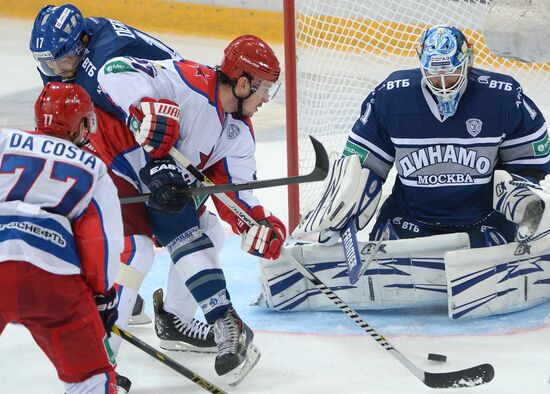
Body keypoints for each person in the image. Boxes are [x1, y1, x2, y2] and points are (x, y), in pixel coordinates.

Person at [259, 25, 550, 316]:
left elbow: (531, 163)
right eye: (434, 74)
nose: (443, 82)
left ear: (468, 62)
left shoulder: (502, 97)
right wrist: (347, 205)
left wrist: (520, 195)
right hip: (409, 223)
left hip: (481, 223)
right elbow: (362, 165)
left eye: (450, 72)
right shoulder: (391, 97)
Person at [29, 3, 216, 371]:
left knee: (198, 232)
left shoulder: (102, 62)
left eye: (61, 62)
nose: (54, 71)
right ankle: (113, 307)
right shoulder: (78, 58)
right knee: (133, 241)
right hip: (133, 141)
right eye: (48, 63)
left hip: (168, 139)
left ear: (81, 43)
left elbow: (153, 123)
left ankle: (166, 317)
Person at [96, 34, 286, 384]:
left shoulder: (238, 133)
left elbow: (235, 193)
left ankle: (175, 321)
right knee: (136, 253)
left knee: (210, 230)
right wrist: (143, 109)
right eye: (264, 90)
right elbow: (113, 69)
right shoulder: (187, 81)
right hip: (116, 167)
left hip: (160, 184)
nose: (266, 100)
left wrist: (258, 223)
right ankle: (97, 367)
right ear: (243, 83)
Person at [0, 82, 124, 393]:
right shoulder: (93, 168)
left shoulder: (4, 141)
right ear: (82, 124)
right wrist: (101, 296)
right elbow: (101, 244)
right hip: (52, 280)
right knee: (92, 376)